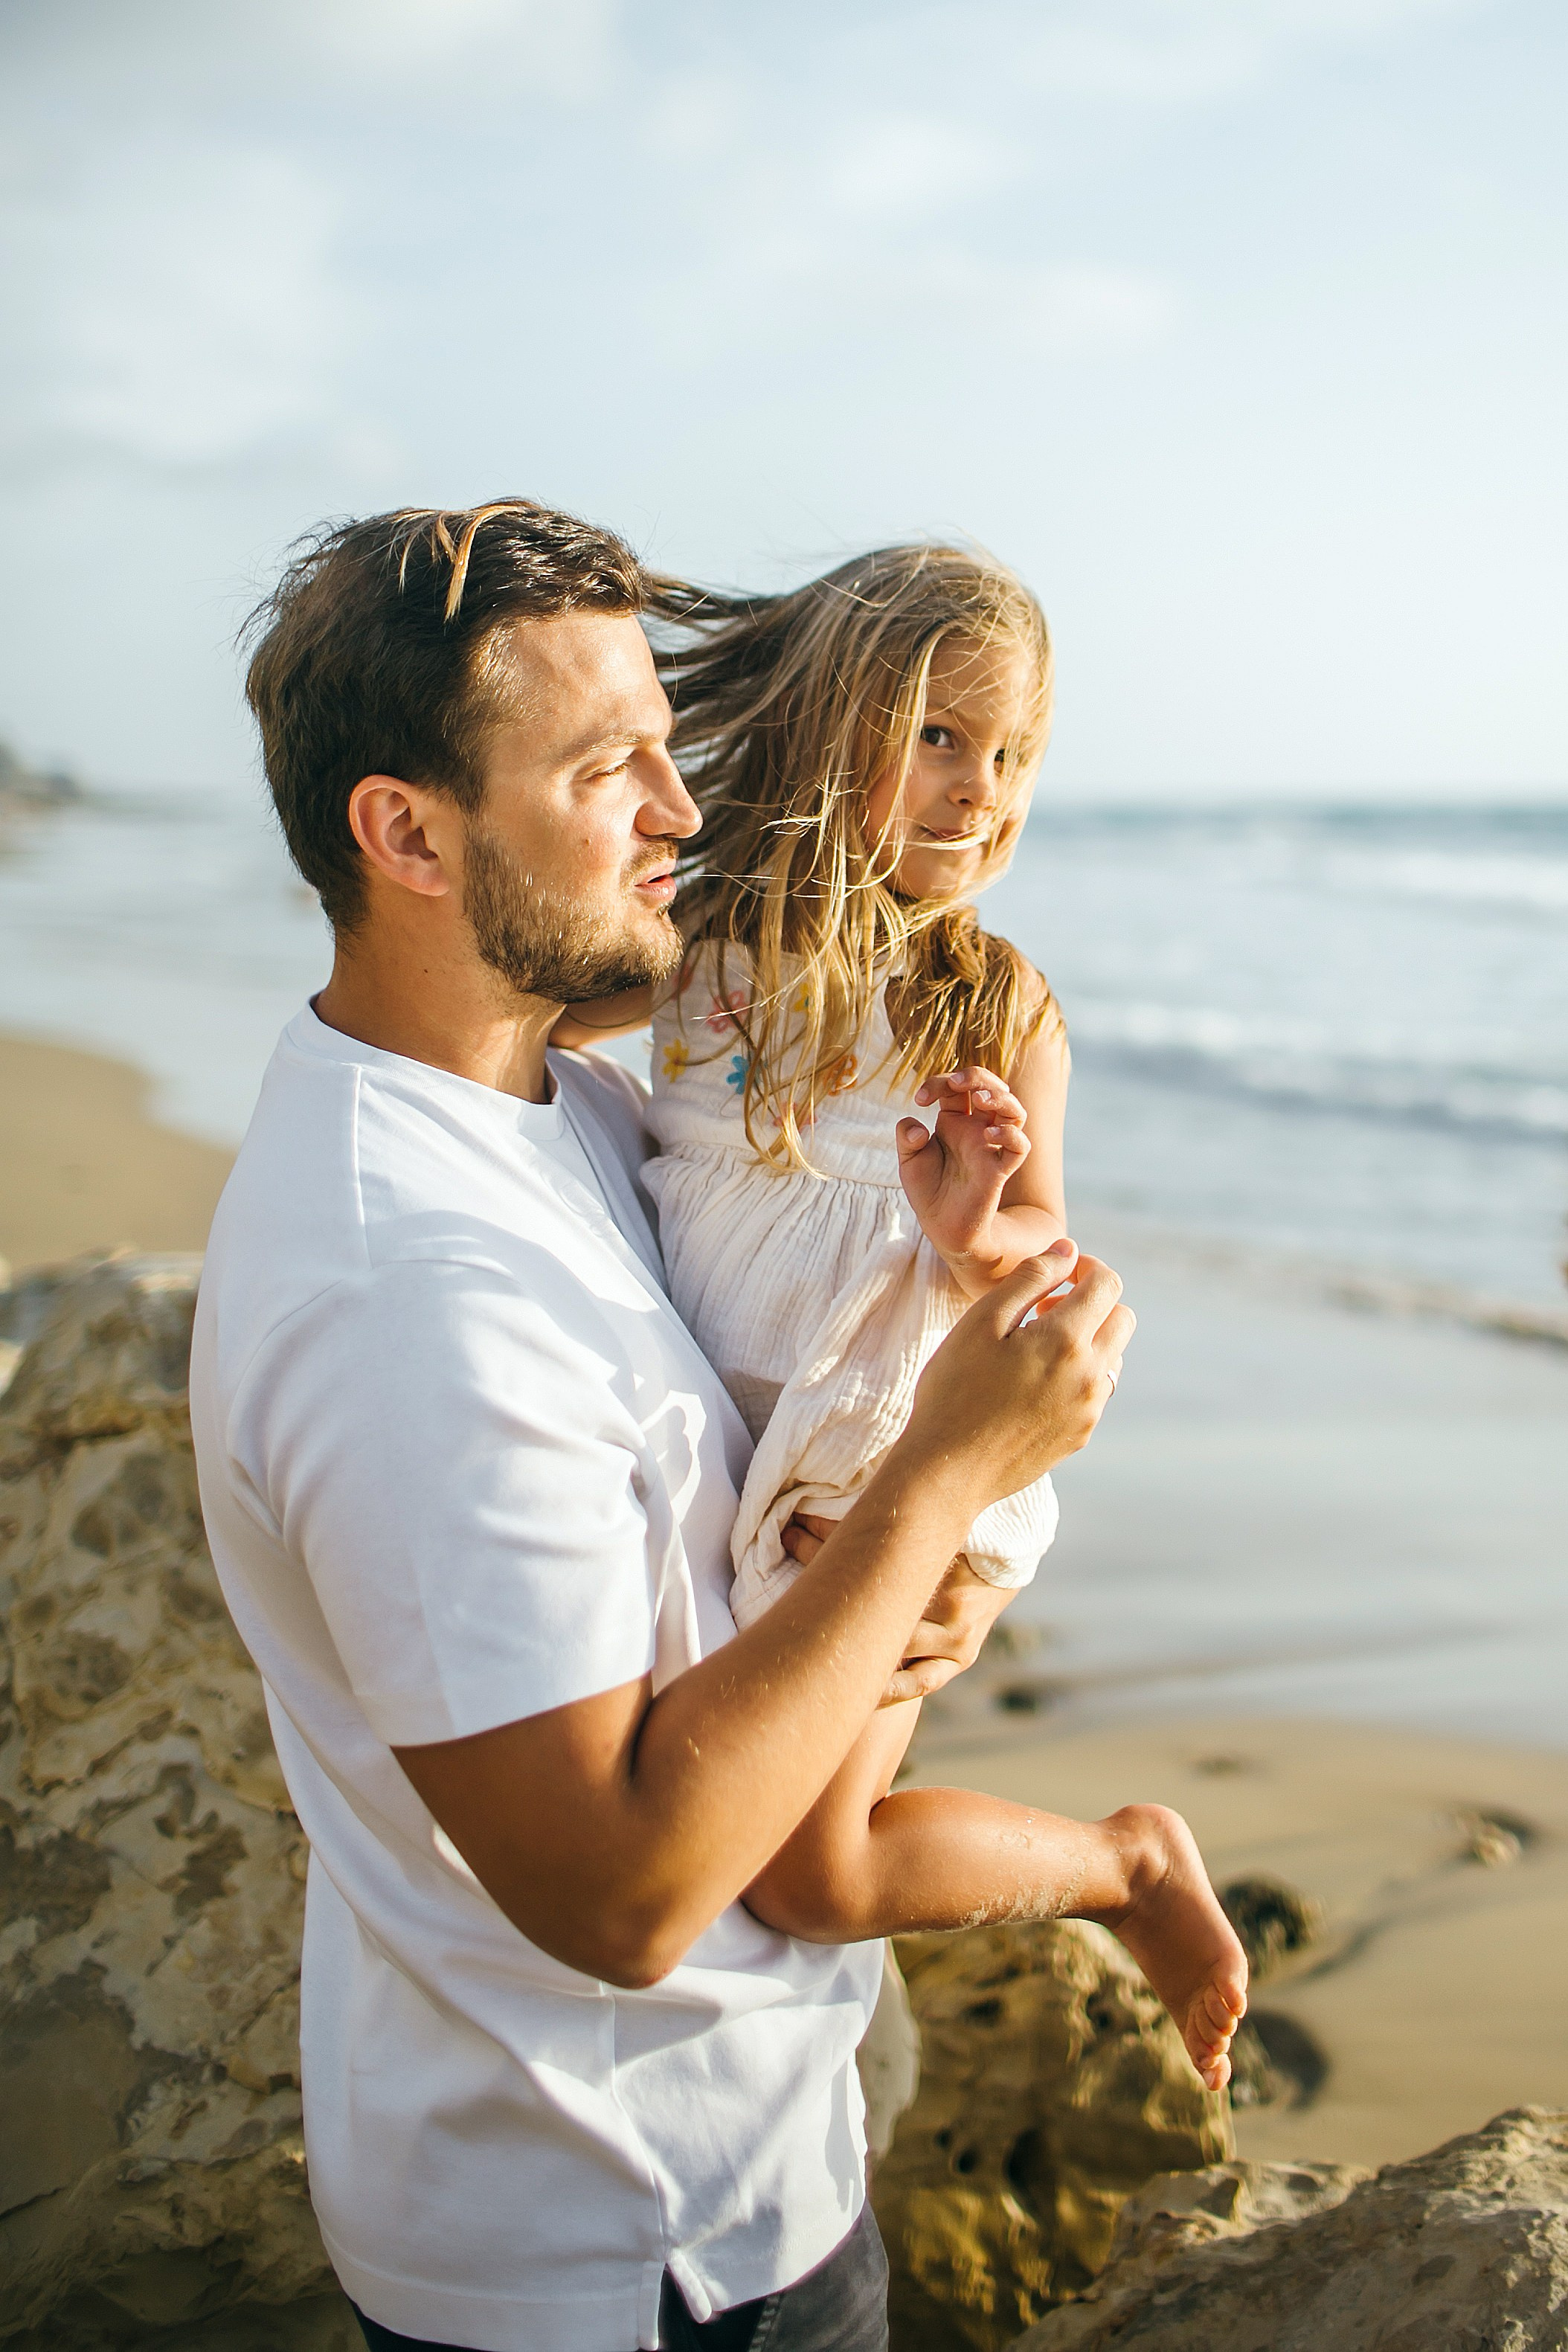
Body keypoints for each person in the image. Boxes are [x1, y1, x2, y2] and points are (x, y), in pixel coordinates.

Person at [190, 499, 1241, 2352]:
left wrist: (950, 1516)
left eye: (671, 752)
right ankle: (1119, 1864)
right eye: (611, 771)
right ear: (404, 830)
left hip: (742, 2174)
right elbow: (621, 1893)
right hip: (621, 2260)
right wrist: (936, 1486)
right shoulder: (405, 1295)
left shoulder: (556, 1122)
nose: (682, 814)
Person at [555, 544, 1249, 2073]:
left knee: (817, 1873)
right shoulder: (705, 948)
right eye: (939, 736)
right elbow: (514, 1018)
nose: (975, 788)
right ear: (832, 723)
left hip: (892, 1450)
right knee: (705, 1807)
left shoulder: (997, 1000)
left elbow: (1043, 1262)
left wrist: (980, 1224)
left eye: (1010, 757)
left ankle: (1125, 1864)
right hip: (735, 1469)